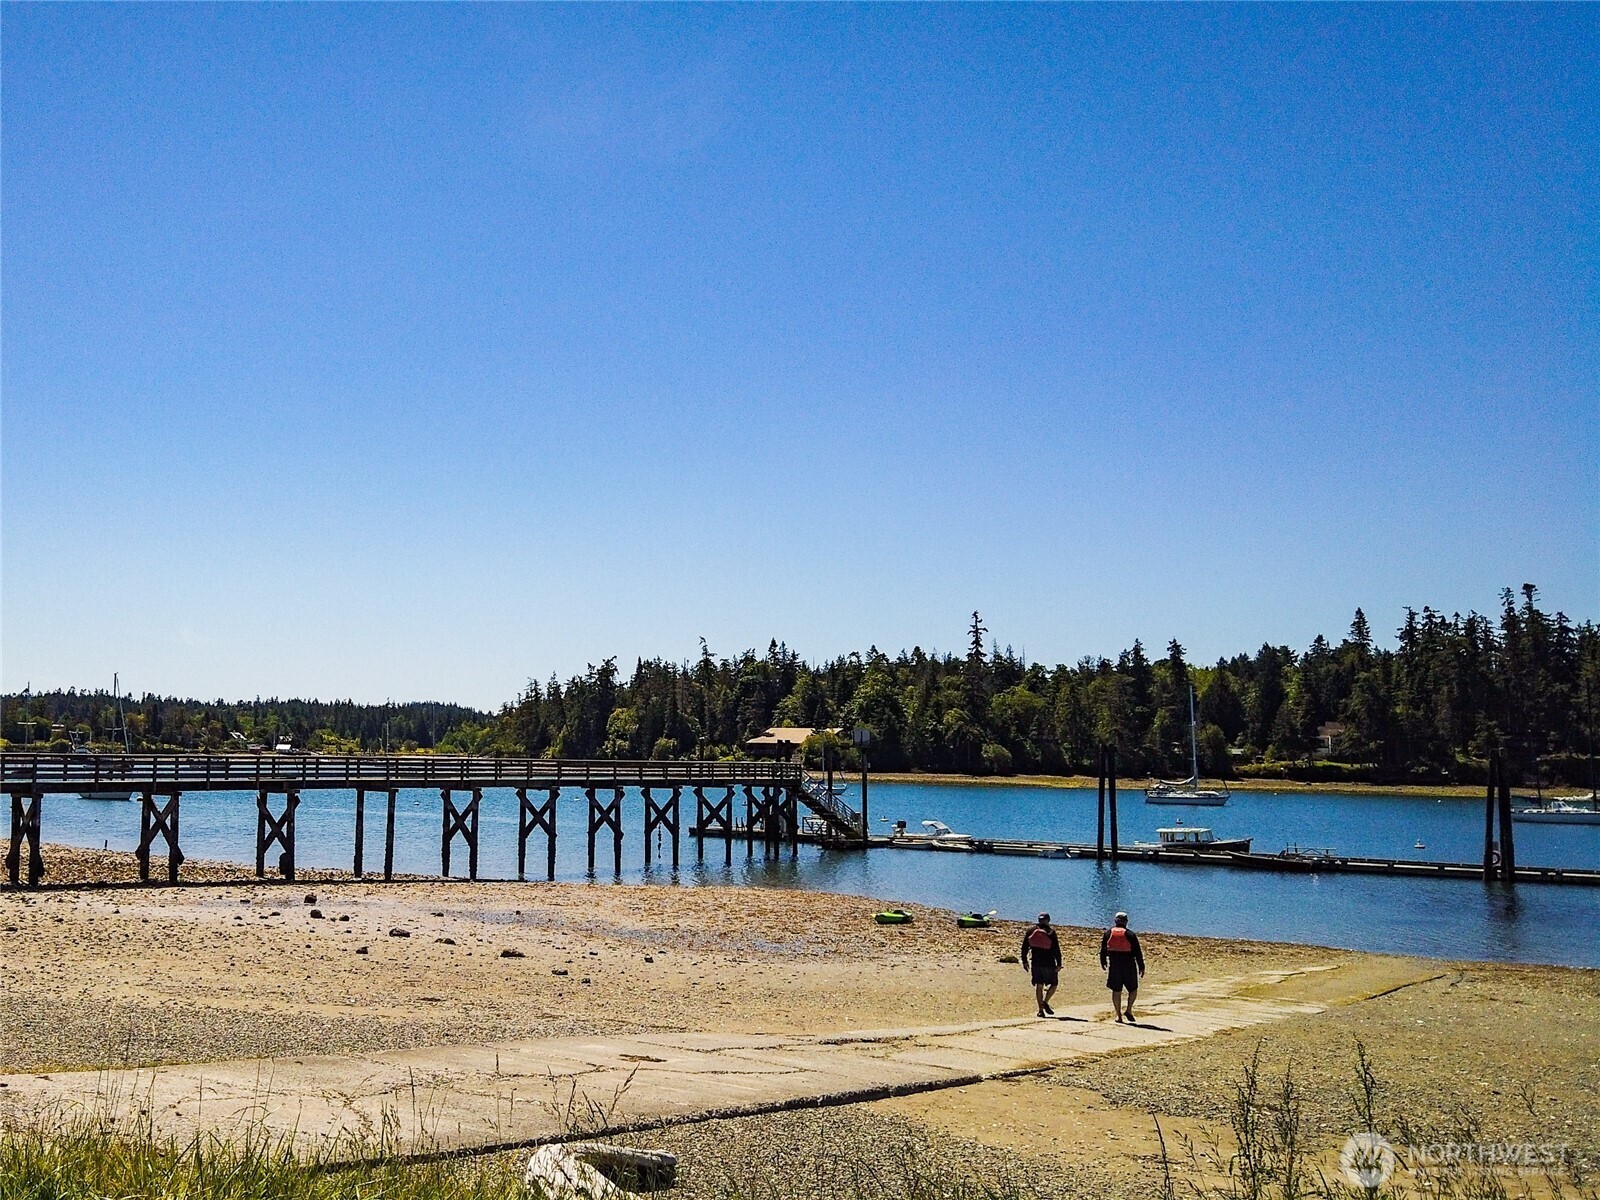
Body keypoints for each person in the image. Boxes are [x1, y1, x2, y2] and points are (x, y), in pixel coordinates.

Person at [1099, 911, 1145, 1023]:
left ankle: (1118, 1015)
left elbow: (1103, 950)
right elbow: (1137, 952)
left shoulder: (1108, 933)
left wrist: (1103, 961)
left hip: (1114, 966)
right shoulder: (1130, 935)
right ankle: (1128, 1010)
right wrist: (1141, 966)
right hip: (1129, 966)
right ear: (1126, 922)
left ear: (1115, 921)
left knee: (1116, 990)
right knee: (1133, 989)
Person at [1020, 912, 1061, 1017]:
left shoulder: (1031, 931)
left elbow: (1024, 947)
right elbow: (1056, 949)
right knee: (1054, 984)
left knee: (1039, 985)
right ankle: (1046, 1002)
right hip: (1049, 963)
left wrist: (1024, 961)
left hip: (1036, 963)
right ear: (1048, 920)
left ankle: (1040, 1010)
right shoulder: (1051, 932)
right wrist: (1059, 963)